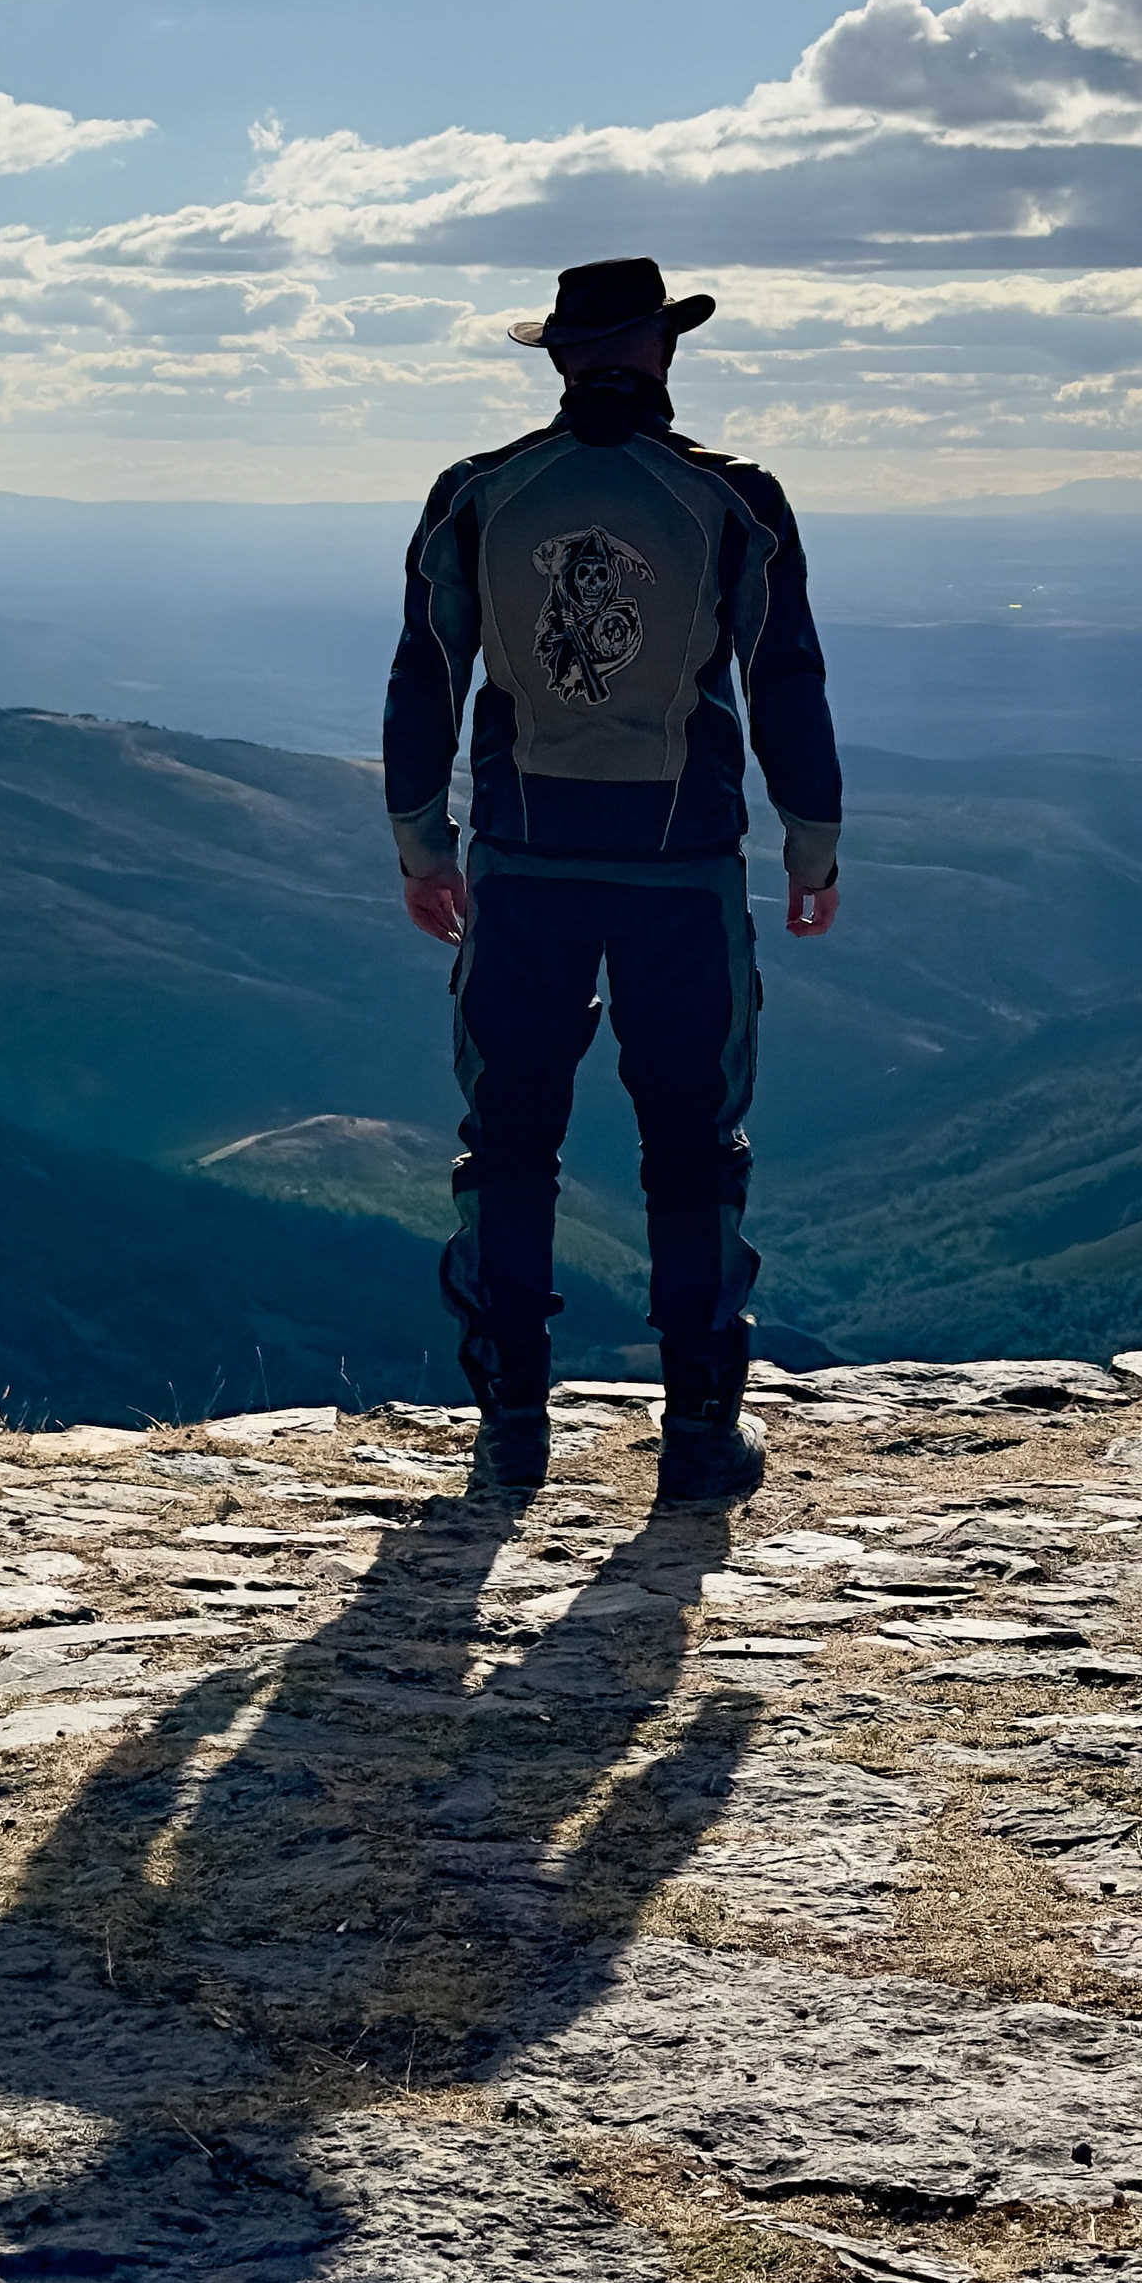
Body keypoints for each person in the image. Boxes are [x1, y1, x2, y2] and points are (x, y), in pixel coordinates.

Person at [382, 255, 842, 1503]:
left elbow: (427, 670)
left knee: (511, 1141)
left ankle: (512, 1421)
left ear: (558, 360)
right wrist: (813, 835)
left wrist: (422, 842)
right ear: (665, 353)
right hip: (682, 871)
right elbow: (782, 673)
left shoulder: (479, 493)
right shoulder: (731, 498)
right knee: (695, 1147)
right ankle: (698, 1428)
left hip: (521, 867)